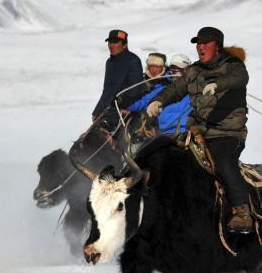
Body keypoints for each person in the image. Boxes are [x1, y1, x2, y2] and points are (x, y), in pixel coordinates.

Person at [147, 27, 251, 233]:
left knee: (222, 162)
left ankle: (242, 212)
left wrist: (217, 84)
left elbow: (239, 79)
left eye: (205, 43)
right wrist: (158, 101)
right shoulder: (193, 70)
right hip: (196, 132)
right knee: (161, 156)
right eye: (198, 43)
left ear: (217, 46)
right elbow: (175, 89)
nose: (200, 47)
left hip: (227, 133)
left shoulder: (234, 66)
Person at [93, 29, 143, 126]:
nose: (111, 45)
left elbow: (134, 90)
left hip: (126, 110)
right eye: (110, 42)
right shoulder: (109, 62)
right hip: (110, 110)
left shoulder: (133, 60)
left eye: (115, 42)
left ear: (124, 45)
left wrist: (117, 108)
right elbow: (107, 90)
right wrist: (97, 111)